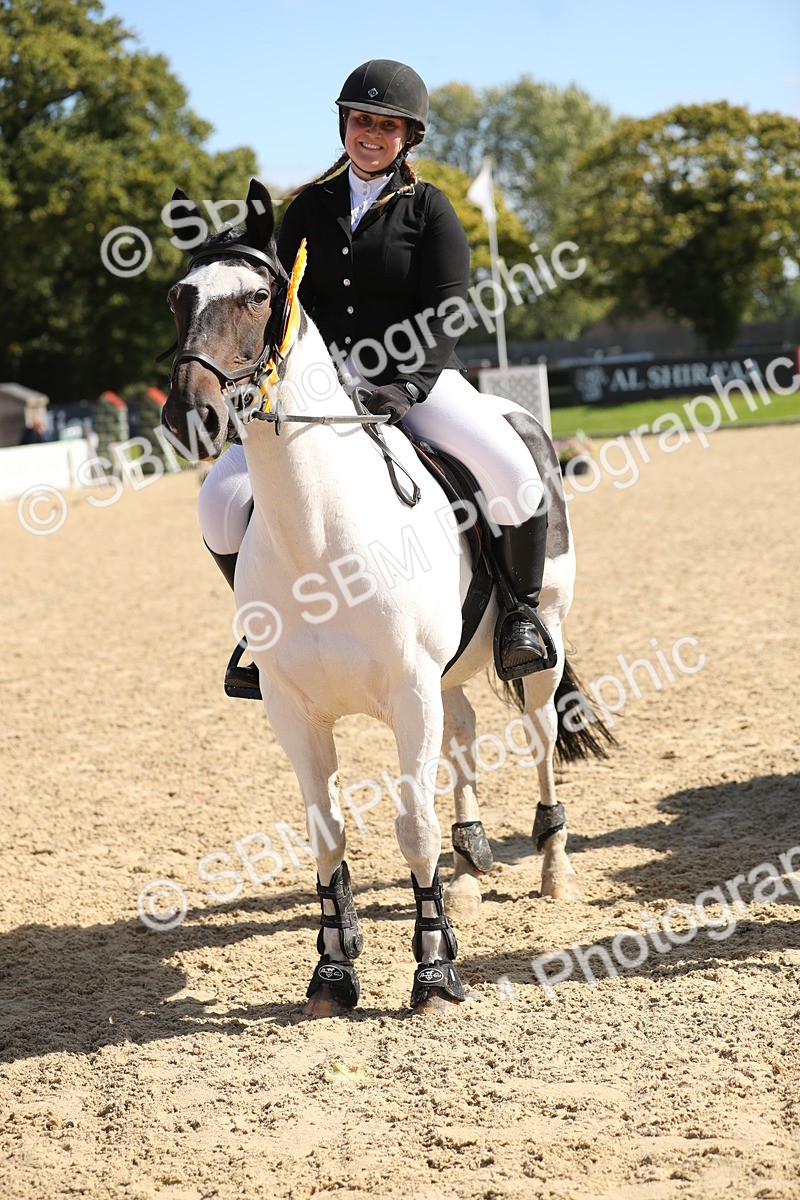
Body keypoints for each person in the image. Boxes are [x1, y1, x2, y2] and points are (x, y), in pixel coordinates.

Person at [199, 59, 551, 696]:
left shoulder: (430, 210)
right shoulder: (307, 208)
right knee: (219, 502)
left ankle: (519, 617)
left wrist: (409, 386)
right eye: (361, 119)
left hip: (418, 381)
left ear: (407, 137)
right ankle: (262, 630)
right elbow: (274, 301)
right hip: (316, 391)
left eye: (387, 125)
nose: (371, 133)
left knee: (514, 472)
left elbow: (448, 309)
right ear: (344, 124)